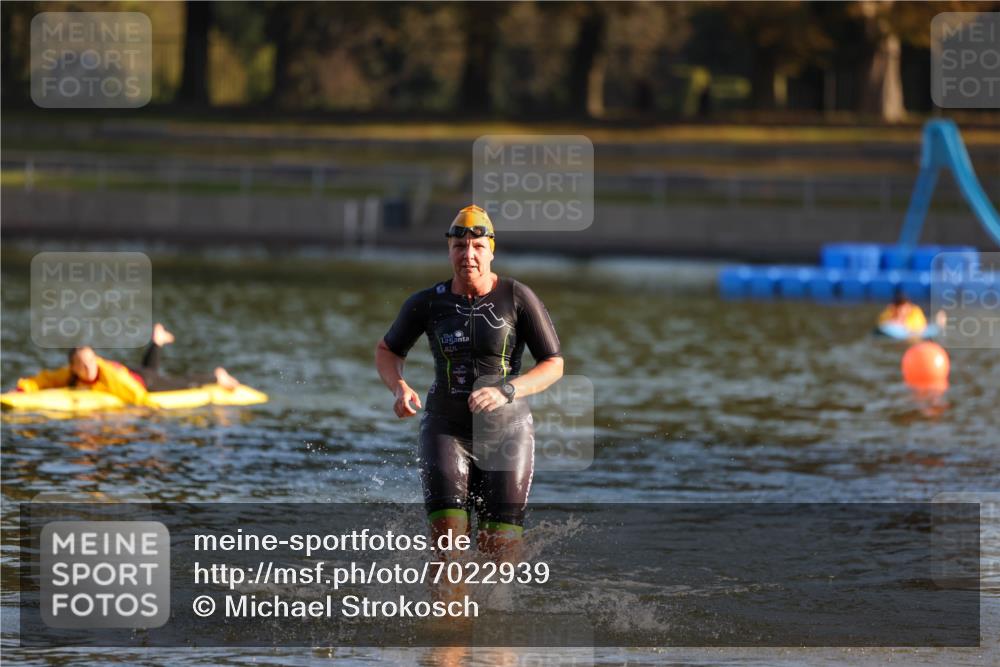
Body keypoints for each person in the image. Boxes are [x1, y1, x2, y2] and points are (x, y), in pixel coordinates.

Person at [375, 205, 564, 563]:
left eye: (477, 246)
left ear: (492, 249)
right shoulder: (428, 303)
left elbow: (553, 364)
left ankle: (493, 616)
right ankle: (449, 620)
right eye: (459, 247)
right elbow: (387, 350)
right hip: (447, 430)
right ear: (449, 251)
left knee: (500, 555)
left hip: (508, 433)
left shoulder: (517, 297)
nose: (469, 256)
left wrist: (507, 390)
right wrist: (398, 386)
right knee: (447, 550)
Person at [15, 323, 240, 406]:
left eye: (91, 361)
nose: (89, 367)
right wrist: (23, 388)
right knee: (149, 367)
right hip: (133, 370)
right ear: (73, 367)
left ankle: (217, 376)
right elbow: (45, 379)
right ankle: (157, 341)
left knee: (181, 382)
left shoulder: (108, 375)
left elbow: (135, 394)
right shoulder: (69, 374)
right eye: (83, 364)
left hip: (142, 383)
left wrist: (144, 409)